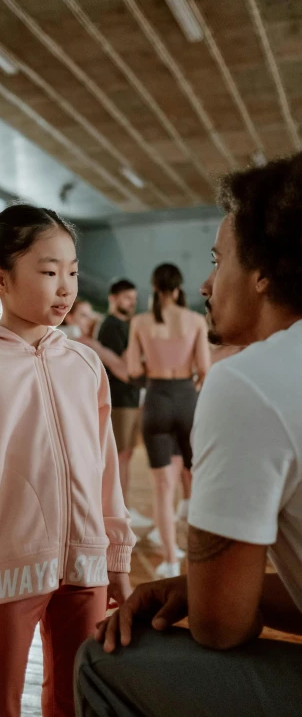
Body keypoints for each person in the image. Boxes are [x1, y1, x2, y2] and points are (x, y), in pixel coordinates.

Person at [75, 153, 302, 717]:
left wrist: (209, 593)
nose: (207, 282)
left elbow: (222, 628)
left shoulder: (250, 381)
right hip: (179, 398)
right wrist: (192, 582)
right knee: (176, 480)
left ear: (264, 271)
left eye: (217, 258)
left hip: (158, 401)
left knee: (103, 661)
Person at [0, 204, 135, 717]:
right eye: (48, 272)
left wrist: (116, 556)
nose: (66, 287)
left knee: (75, 699)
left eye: (73, 272)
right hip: (4, 570)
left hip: (85, 567)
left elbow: (105, 470)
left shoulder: (85, 364)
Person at [127, 264, 211, 579]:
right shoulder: (194, 320)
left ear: (154, 288)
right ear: (178, 289)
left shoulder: (140, 322)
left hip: (157, 400)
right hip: (187, 399)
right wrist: (188, 392)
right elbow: (204, 368)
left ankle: (170, 561)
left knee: (162, 489)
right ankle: (203, 557)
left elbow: (134, 370)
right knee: (198, 479)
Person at [98, 280, 152, 528]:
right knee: (118, 457)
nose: (132, 302)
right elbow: (121, 366)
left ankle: (123, 507)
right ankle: (115, 511)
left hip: (130, 399)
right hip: (118, 400)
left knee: (125, 456)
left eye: (134, 298)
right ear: (114, 298)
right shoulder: (111, 327)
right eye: (127, 298)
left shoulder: (124, 325)